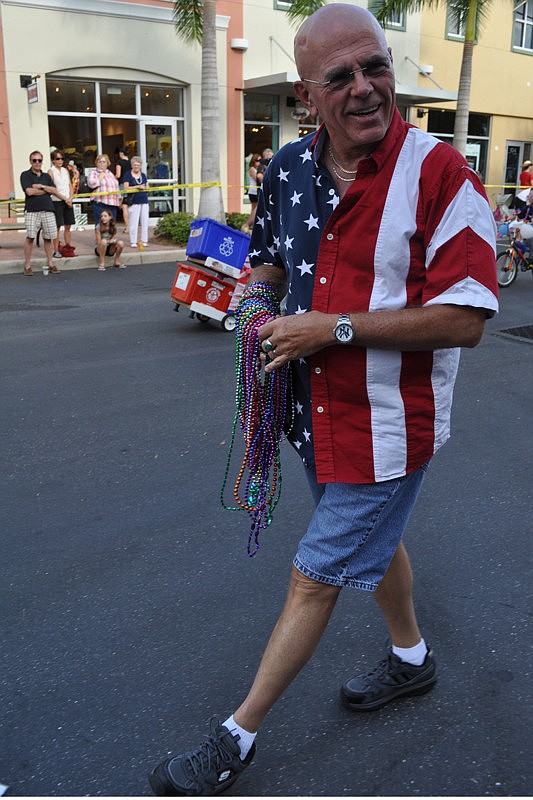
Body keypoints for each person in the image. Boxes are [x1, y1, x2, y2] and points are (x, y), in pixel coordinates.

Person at [149, 5, 499, 796]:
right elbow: (268, 261)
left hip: (388, 425)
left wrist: (329, 328)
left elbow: (466, 318)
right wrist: (250, 302)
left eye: (374, 65)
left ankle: (235, 737)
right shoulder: (286, 169)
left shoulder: (443, 175)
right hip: (311, 415)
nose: (366, 87)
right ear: (307, 95)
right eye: (339, 77)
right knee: (375, 550)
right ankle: (412, 660)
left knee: (315, 574)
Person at [20, 150, 64, 276]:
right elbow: (29, 192)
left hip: (48, 210)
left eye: (39, 160)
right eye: (34, 160)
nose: (37, 163)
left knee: (49, 237)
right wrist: (47, 190)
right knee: (30, 237)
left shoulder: (46, 176)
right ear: (30, 161)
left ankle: (51, 263)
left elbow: (54, 189)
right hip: (32, 211)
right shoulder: (25, 175)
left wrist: (41, 186)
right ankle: (27, 266)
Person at [48, 149, 76, 258]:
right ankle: (56, 250)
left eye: (62, 158)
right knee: (57, 227)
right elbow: (52, 189)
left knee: (68, 226)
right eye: (57, 159)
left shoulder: (65, 170)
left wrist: (70, 198)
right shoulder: (51, 171)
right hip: (57, 202)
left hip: (67, 201)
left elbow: (70, 185)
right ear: (53, 160)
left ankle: (68, 248)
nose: (60, 161)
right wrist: (65, 199)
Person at [123, 156, 149, 248]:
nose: (136, 166)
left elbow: (147, 187)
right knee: (133, 222)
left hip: (144, 200)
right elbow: (126, 188)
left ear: (141, 166)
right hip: (134, 201)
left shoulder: (143, 175)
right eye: (134, 165)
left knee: (145, 221)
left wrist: (145, 188)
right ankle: (133, 241)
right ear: (132, 165)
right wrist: (137, 187)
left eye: (138, 165)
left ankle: (144, 240)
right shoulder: (127, 174)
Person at [87, 154, 121, 226]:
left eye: (104, 162)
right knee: (100, 225)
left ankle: (111, 238)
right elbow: (91, 184)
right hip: (100, 203)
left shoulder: (110, 173)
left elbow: (116, 186)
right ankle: (100, 237)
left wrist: (119, 198)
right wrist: (100, 177)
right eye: (100, 162)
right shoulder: (94, 173)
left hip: (112, 203)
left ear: (107, 163)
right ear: (96, 163)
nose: (102, 163)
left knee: (111, 226)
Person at [240, 153, 262, 234]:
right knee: (254, 209)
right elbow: (257, 178)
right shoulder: (252, 169)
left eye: (260, 160)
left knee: (256, 209)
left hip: (257, 191)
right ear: (253, 161)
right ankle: (249, 225)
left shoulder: (258, 169)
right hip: (253, 191)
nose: (259, 162)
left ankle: (253, 225)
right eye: (257, 160)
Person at [114, 147, 131, 233]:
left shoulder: (119, 162)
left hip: (122, 185)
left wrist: (111, 177)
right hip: (131, 186)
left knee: (124, 206)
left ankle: (127, 227)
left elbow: (118, 175)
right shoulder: (131, 162)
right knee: (129, 206)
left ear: (121, 153)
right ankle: (130, 226)